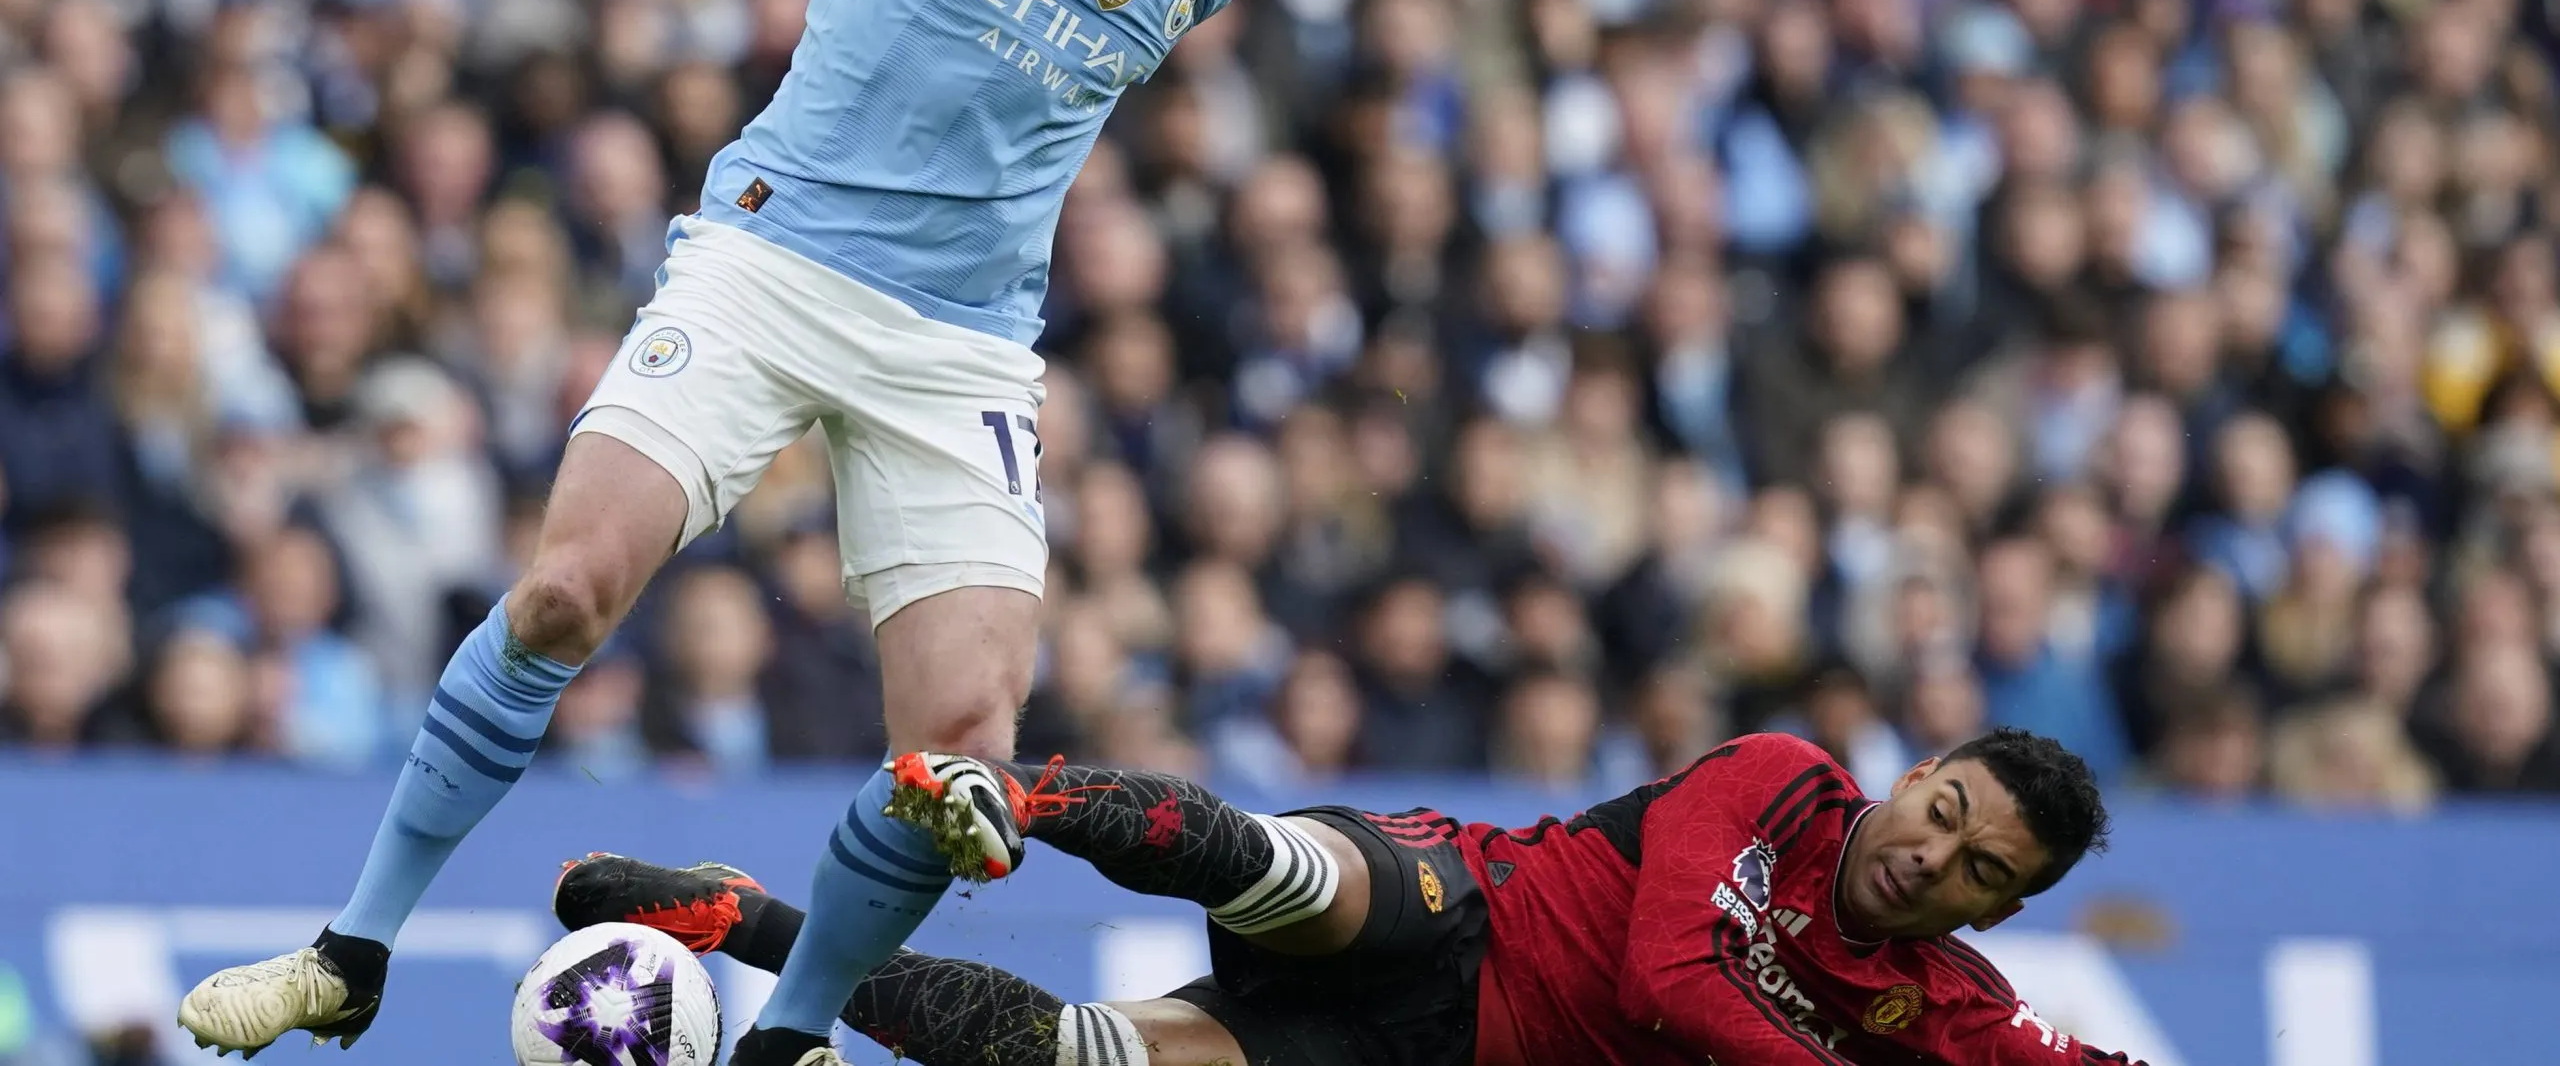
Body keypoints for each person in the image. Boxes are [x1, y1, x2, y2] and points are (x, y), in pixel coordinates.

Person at [175, 0, 1345, 1066]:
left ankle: (784, 1041)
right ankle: (348, 953)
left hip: (959, 347)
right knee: (564, 595)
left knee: (959, 748)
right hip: (773, 259)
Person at [554, 729, 2150, 1066]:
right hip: (1462, 905)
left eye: (1976, 869)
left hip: (1426, 1064)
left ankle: (743, 921)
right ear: (1914, 772)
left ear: (1995, 914)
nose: (1929, 855)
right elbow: (1668, 976)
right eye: (1941, 810)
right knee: (1282, 874)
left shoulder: (1947, 1015)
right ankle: (1010, 798)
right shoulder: (1782, 780)